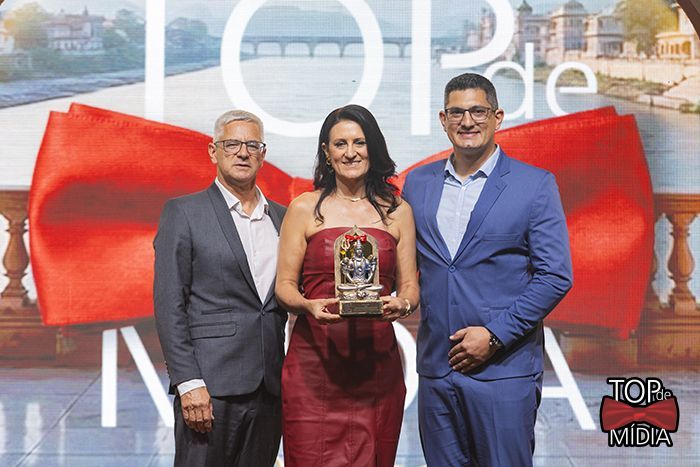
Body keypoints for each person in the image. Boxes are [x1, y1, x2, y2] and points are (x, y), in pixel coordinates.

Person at [402, 73, 573, 466]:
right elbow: (408, 264)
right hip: (436, 370)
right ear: (443, 119)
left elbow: (555, 276)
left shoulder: (534, 185)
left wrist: (495, 336)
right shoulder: (418, 184)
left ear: (497, 117)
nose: (467, 121)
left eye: (478, 111)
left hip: (503, 371)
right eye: (457, 113)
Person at [275, 104, 419, 467]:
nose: (350, 152)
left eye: (359, 142)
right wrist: (308, 306)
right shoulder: (304, 208)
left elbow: (410, 289)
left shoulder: (397, 210)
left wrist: (401, 305)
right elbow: (285, 287)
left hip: (376, 369)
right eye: (340, 144)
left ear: (373, 147)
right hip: (314, 367)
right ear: (327, 152)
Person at [153, 110, 287, 466]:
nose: (243, 152)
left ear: (263, 154)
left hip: (269, 388)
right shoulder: (184, 213)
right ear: (214, 151)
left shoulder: (283, 217)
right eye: (232, 144)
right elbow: (169, 304)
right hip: (209, 389)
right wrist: (188, 382)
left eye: (252, 145)